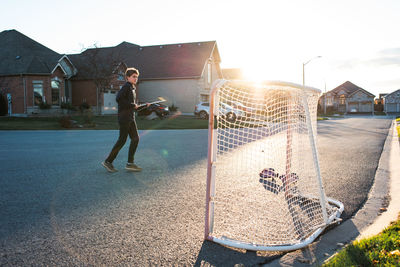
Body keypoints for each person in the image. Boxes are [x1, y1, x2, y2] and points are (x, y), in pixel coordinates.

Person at [102, 67, 147, 172]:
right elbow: (118, 99)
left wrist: (144, 106)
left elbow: (132, 106)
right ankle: (108, 161)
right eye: (133, 77)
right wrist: (132, 105)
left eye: (137, 77)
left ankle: (130, 163)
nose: (136, 79)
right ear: (127, 77)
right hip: (124, 118)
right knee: (122, 140)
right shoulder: (126, 87)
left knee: (135, 139)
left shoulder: (132, 88)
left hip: (130, 118)